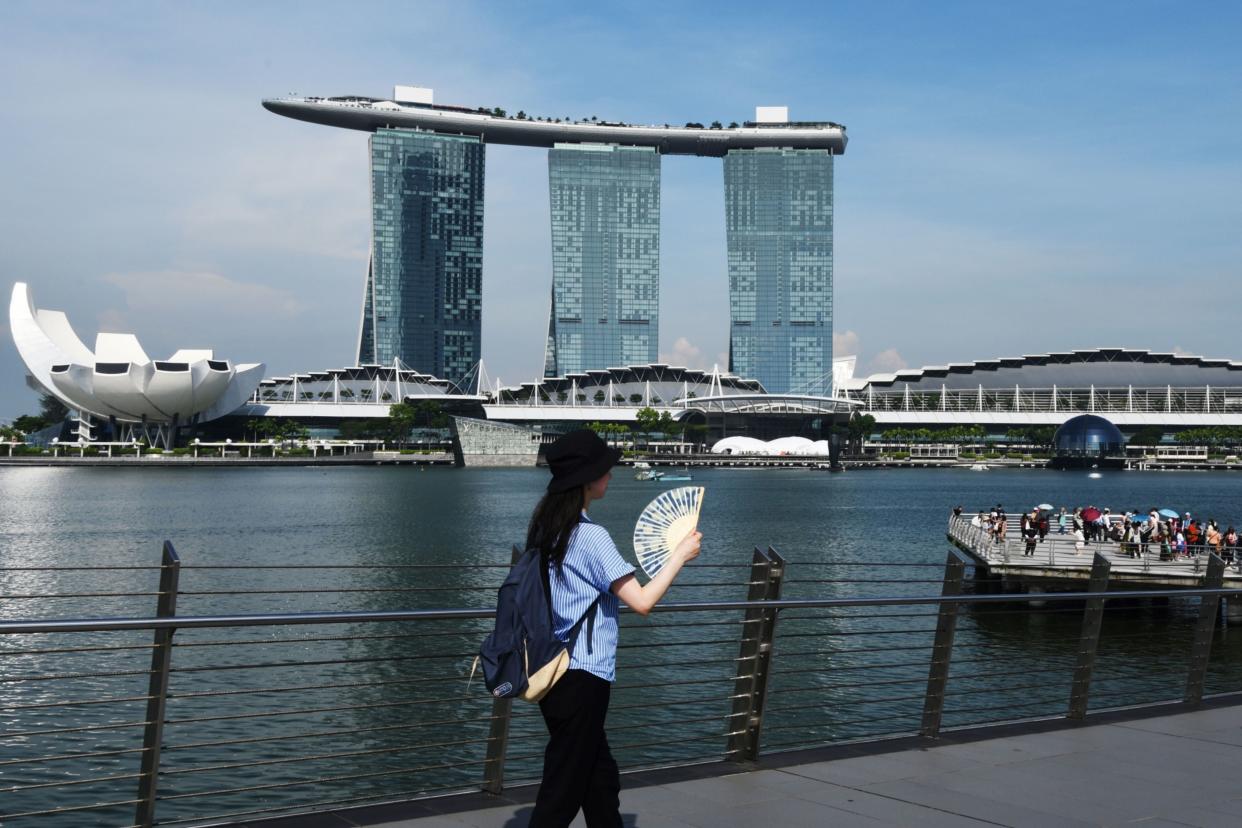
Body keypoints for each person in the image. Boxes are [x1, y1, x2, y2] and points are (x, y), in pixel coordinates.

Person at [526, 429, 701, 827]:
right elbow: (642, 602)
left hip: (553, 671)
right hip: (583, 675)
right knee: (563, 788)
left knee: (598, 778)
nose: (612, 474)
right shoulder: (590, 537)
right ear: (587, 480)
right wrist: (679, 556)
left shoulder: (548, 530)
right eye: (606, 468)